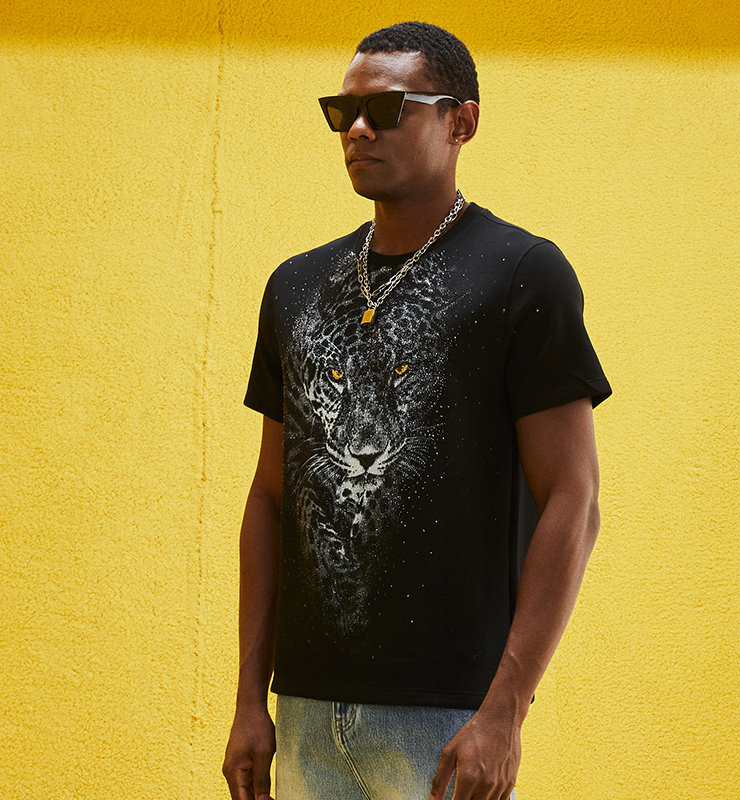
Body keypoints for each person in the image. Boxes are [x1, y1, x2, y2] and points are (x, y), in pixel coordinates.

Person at [223, 20, 612, 800]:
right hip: (303, 712)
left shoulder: (522, 273)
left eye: (388, 108)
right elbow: (269, 497)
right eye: (343, 111)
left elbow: (575, 498)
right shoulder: (295, 286)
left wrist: (505, 710)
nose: (358, 130)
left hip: (447, 718)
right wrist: (247, 701)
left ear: (460, 122)